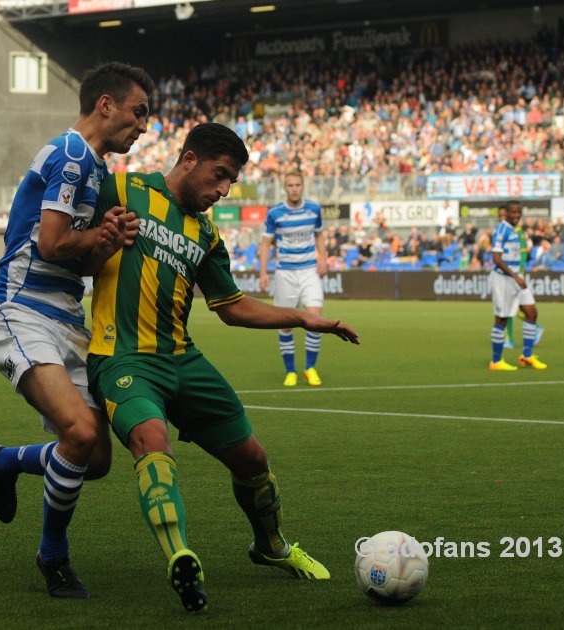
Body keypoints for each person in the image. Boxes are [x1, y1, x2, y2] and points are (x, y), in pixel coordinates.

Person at [86, 123, 360, 612]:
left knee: (253, 457)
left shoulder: (207, 234)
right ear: (188, 159)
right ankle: (181, 558)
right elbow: (69, 235)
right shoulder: (121, 187)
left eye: (230, 182)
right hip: (122, 357)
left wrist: (301, 318)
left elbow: (230, 306)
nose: (222, 190)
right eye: (219, 176)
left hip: (183, 361)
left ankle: (271, 547)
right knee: (152, 438)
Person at [0, 61, 154, 600]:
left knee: (95, 459)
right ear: (106, 104)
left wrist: (107, 240)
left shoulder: (95, 168)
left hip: (65, 317)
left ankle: (5, 460)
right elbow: (51, 244)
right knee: (79, 433)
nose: (144, 126)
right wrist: (98, 233)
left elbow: (75, 261)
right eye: (138, 112)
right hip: (20, 308)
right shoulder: (73, 153)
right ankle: (53, 555)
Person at [258, 170, 328, 387]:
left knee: (315, 319)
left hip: (308, 270)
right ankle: (290, 371)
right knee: (285, 324)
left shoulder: (314, 209)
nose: (294, 188)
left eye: (298, 185)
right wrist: (262, 271)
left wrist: (324, 258)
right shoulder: (275, 213)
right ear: (284, 187)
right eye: (290, 185)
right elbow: (266, 244)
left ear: (303, 186)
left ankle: (310, 368)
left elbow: (319, 235)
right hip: (285, 272)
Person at [489, 200, 546, 371]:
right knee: (502, 319)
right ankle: (496, 361)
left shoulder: (514, 230)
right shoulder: (502, 229)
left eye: (518, 212)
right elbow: (496, 259)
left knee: (531, 312)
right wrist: (515, 276)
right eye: (512, 212)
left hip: (516, 278)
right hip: (504, 279)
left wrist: (517, 276)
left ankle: (527, 356)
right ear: (506, 212)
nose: (516, 215)